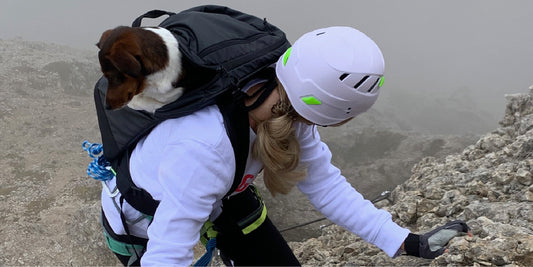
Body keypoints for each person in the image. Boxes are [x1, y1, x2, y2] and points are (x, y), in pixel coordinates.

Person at [100, 26, 470, 266]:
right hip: (144, 216)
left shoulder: (287, 107)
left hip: (223, 196)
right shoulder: (205, 147)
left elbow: (326, 186)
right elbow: (168, 251)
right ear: (339, 115)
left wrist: (407, 242)